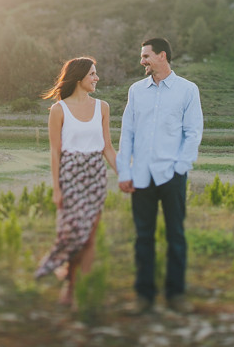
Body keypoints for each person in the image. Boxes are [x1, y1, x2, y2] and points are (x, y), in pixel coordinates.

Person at [117, 37, 203, 314]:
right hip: (141, 176)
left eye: (146, 56)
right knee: (144, 237)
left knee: (176, 235)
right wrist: (124, 171)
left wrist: (180, 169)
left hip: (171, 175)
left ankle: (176, 294)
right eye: (142, 56)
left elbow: (193, 133)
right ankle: (144, 296)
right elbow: (127, 133)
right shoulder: (135, 91)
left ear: (162, 56)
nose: (142, 61)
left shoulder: (187, 90)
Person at [35, 57, 118, 306]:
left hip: (95, 173)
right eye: (92, 74)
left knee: (90, 235)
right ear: (79, 77)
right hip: (70, 173)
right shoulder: (59, 110)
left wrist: (125, 175)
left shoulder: (102, 107)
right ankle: (68, 282)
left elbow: (108, 148)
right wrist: (57, 189)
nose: (97, 78)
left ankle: (82, 286)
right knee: (72, 234)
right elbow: (55, 152)